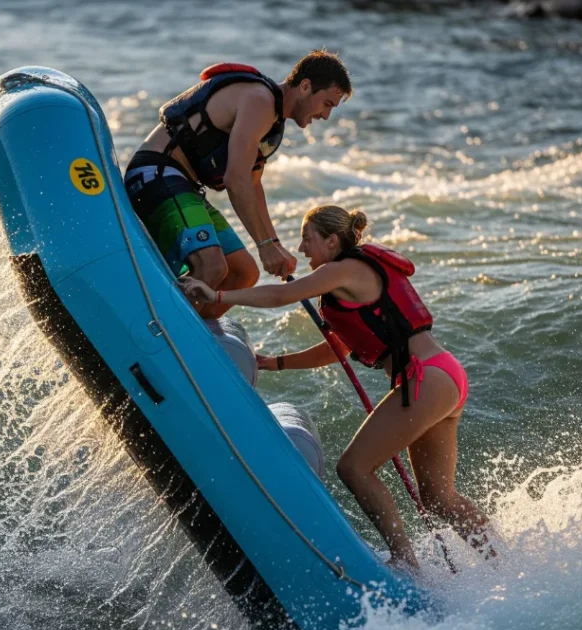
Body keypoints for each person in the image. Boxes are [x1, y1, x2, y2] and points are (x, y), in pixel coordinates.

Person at [180, 205, 495, 572]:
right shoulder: (350, 279)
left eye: (307, 239)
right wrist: (278, 362)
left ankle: (405, 562)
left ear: (332, 241)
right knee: (439, 498)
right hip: (443, 376)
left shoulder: (342, 269)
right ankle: (502, 566)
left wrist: (216, 297)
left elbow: (283, 296)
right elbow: (341, 348)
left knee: (354, 468)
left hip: (425, 379)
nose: (301, 248)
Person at [125, 50, 352, 319]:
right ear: (305, 86)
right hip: (155, 174)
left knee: (244, 272)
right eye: (326, 103)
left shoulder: (273, 121)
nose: (325, 116)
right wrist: (264, 244)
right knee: (212, 267)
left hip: (183, 186)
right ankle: (154, 331)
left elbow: (253, 186)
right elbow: (236, 178)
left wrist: (275, 244)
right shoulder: (259, 101)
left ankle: (195, 336)